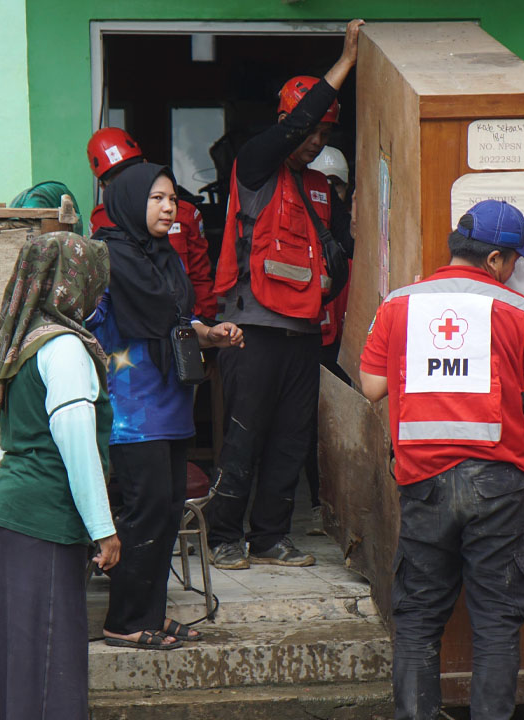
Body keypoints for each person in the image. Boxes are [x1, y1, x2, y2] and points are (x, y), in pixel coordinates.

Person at [360, 199, 524, 720]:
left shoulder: (399, 303)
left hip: (423, 482)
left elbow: (373, 386)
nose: (515, 270)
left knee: (419, 619)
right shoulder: (519, 312)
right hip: (499, 486)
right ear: (494, 259)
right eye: (514, 259)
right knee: (495, 623)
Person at [206, 19, 363, 570]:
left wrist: (325, 295)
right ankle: (225, 535)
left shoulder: (322, 188)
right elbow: (295, 124)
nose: (315, 141)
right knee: (245, 436)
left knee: (291, 440)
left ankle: (270, 536)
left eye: (324, 134)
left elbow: (342, 253)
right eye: (309, 131)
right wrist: (343, 65)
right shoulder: (254, 167)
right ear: (287, 127)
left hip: (304, 332)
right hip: (253, 327)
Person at [0, 231, 119, 719]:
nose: (98, 293)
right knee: (47, 652)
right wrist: (103, 528)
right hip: (44, 518)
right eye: (93, 282)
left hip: (10, 509)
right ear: (71, 284)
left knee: (3, 650)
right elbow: (77, 443)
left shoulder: (18, 342)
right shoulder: (65, 349)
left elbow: (4, 436)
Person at [89, 163, 243, 649]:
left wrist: (211, 334)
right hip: (132, 413)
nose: (168, 207)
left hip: (173, 405)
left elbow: (179, 320)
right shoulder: (105, 260)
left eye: (172, 200)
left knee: (166, 514)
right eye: (157, 198)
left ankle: (151, 615)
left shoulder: (165, 258)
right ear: (133, 202)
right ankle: (125, 620)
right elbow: (89, 326)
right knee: (142, 515)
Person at [87, 127, 216, 319]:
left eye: (132, 170)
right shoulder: (100, 220)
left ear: (146, 165)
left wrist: (202, 327)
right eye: (116, 179)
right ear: (103, 186)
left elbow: (199, 278)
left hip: (182, 325)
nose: (127, 182)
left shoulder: (182, 213)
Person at [303, 145, 354, 535]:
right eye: (323, 186)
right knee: (309, 426)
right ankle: (320, 502)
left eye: (336, 185)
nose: (329, 194)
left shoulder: (357, 250)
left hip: (345, 347)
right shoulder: (302, 242)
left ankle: (346, 503)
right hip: (310, 341)